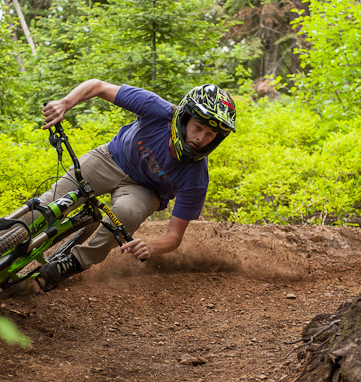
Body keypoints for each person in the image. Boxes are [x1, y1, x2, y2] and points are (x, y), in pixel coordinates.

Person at [36, 79, 236, 289]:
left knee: (127, 213)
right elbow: (98, 87)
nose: (200, 138)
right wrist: (65, 103)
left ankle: (75, 262)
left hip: (146, 191)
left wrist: (151, 247)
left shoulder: (196, 177)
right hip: (111, 158)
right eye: (198, 127)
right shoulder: (157, 110)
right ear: (185, 118)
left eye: (210, 135)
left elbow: (174, 236)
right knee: (50, 203)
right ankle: (6, 235)